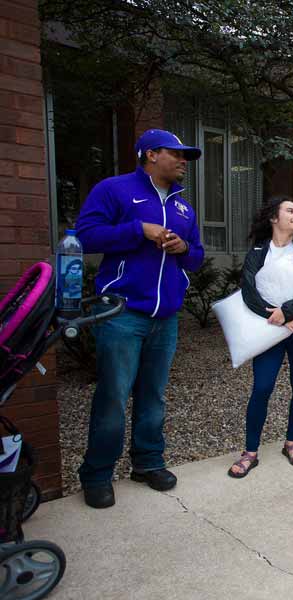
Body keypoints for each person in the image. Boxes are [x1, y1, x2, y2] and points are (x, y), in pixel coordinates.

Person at [75, 129, 204, 508]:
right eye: (176, 154)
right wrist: (139, 230)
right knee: (113, 397)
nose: (183, 161)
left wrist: (183, 248)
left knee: (154, 396)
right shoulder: (114, 189)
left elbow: (196, 257)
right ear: (150, 154)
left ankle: (147, 462)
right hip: (120, 313)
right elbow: (85, 236)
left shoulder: (184, 208)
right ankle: (97, 474)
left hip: (165, 318)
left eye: (186, 156)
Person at [227, 196, 293, 478]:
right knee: (261, 387)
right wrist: (279, 318)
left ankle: (292, 442)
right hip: (268, 330)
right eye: (290, 210)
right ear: (274, 218)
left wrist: (290, 313)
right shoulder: (258, 251)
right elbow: (249, 291)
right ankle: (250, 452)